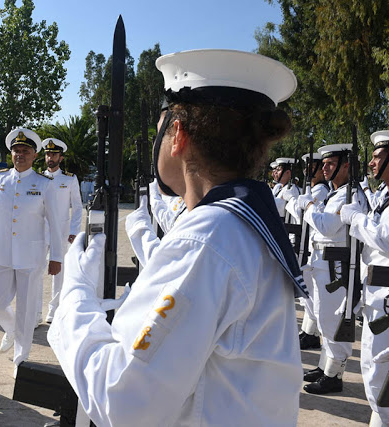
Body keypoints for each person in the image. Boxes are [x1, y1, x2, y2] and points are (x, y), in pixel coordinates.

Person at [48, 49, 306, 426]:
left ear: (178, 135)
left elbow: (124, 401)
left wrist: (74, 293)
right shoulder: (240, 224)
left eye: (160, 130)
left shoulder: (209, 237)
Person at [0, 128, 62, 377]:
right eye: (16, 150)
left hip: (31, 256)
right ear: (10, 153)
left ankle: (20, 358)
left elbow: (56, 223)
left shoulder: (45, 185)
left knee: (26, 311)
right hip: (1, 253)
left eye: (25, 151)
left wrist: (56, 256)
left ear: (35, 155)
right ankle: (11, 329)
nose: (20, 154)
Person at [299, 143, 367, 394]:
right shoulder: (334, 194)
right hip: (323, 263)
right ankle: (324, 366)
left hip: (336, 266)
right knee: (322, 317)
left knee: (333, 321)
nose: (324, 168)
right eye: (324, 164)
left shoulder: (352, 195)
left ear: (346, 166)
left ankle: (334, 375)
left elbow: (326, 226)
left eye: (330, 164)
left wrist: (308, 207)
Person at [340, 130, 389, 426]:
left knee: (381, 365)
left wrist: (356, 218)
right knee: (370, 362)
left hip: (386, 295)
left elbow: (385, 238)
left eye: (377, 157)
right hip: (375, 291)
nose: (371, 163)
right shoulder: (383, 194)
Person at [287, 152, 330, 351]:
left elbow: (301, 215)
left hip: (315, 248)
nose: (308, 170)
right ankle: (309, 332)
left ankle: (312, 335)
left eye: (312, 166)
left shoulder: (321, 191)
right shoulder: (311, 189)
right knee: (309, 298)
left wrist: (291, 202)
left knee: (315, 299)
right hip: (309, 247)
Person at [36, 138, 82, 324]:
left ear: (61, 158)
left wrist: (74, 230)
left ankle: (54, 309)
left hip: (61, 232)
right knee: (36, 271)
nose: (50, 157)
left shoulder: (69, 179)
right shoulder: (37, 179)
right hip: (39, 232)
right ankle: (36, 312)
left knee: (58, 273)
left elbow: (78, 207)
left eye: (54, 154)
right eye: (47, 154)